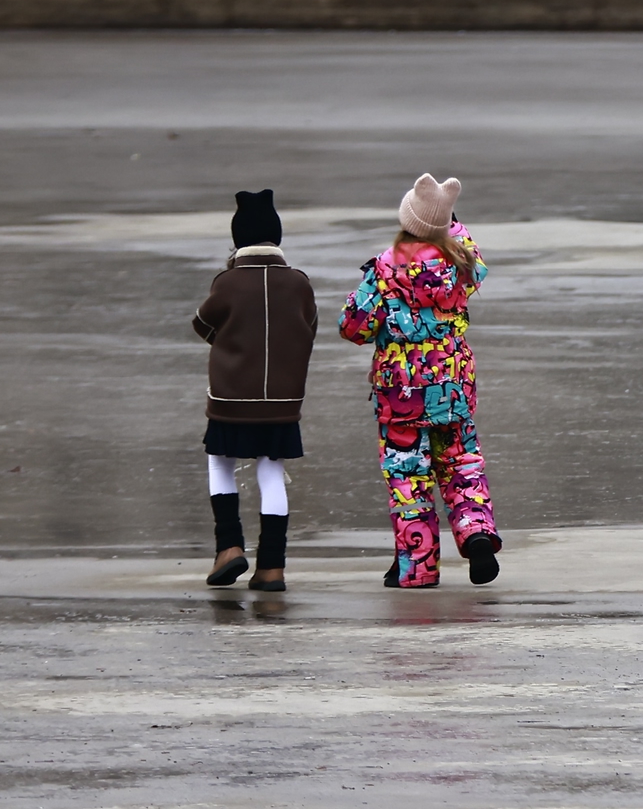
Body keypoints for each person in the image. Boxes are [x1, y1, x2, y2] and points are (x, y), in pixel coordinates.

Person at [340, 173, 503, 588]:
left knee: (408, 476)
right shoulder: (462, 265)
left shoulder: (383, 270)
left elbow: (353, 327)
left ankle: (418, 567)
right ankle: (476, 532)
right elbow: (474, 255)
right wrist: (451, 225)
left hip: (402, 397)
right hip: (453, 389)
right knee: (461, 463)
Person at [192, 189, 318, 591]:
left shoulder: (227, 283)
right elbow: (309, 329)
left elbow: (202, 325)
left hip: (231, 397)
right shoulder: (298, 284)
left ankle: (229, 547)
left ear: (238, 238)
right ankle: (272, 568)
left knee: (220, 464)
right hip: (283, 401)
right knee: (271, 472)